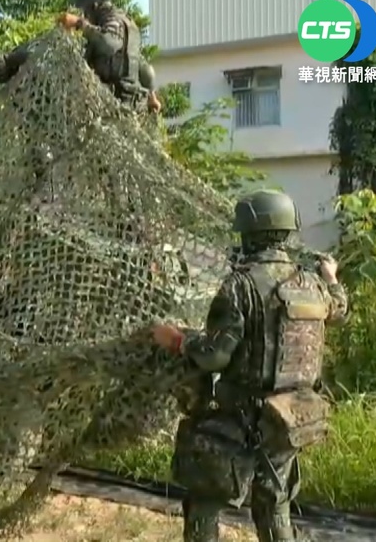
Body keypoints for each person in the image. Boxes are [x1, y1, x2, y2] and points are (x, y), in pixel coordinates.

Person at [149, 189, 348, 542]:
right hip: (291, 418)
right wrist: (331, 275)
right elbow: (339, 309)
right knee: (275, 505)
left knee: (206, 501)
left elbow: (215, 356)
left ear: (249, 233)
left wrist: (179, 341)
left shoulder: (239, 286)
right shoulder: (312, 284)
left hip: (239, 417)